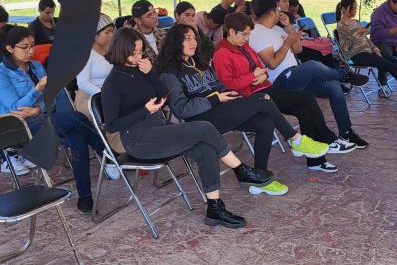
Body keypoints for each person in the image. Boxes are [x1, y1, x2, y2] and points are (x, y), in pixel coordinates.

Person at [101, 27, 273, 228]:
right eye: (134, 53)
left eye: (140, 51)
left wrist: (150, 75)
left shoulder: (140, 69)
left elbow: (163, 96)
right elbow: (112, 126)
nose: (139, 56)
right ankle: (241, 170)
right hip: (139, 140)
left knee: (206, 149)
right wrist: (144, 112)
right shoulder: (112, 83)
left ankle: (214, 209)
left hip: (159, 129)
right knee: (204, 127)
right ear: (120, 51)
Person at [158, 24, 329, 194]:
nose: (193, 42)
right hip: (202, 120)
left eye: (194, 38)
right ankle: (294, 139)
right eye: (187, 38)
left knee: (265, 122)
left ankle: (259, 180)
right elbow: (181, 109)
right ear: (175, 42)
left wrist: (228, 93)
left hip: (221, 108)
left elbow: (218, 85)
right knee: (262, 100)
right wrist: (216, 98)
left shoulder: (199, 62)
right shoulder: (170, 73)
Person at [214, 12, 357, 172]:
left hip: (266, 88)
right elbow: (230, 85)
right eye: (243, 34)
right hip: (253, 98)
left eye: (248, 35)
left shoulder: (244, 47)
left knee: (303, 110)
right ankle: (328, 139)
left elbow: (263, 68)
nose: (246, 38)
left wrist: (263, 75)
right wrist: (253, 76)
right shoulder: (222, 54)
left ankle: (316, 160)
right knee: (306, 96)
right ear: (231, 32)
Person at [0, 25, 112, 213]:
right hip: (20, 128)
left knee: (78, 139)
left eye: (32, 46)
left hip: (42, 118)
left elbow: (49, 99)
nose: (30, 51)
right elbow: (15, 108)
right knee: (76, 118)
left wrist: (38, 108)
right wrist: (38, 89)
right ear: (10, 48)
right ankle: (109, 155)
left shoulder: (35, 66)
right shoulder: (3, 73)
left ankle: (85, 197)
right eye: (24, 47)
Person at [249, 0, 369, 147]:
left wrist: (289, 27)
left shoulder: (277, 28)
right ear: (272, 12)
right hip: (280, 81)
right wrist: (287, 41)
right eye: (278, 9)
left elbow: (297, 49)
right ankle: (344, 75)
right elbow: (272, 63)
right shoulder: (257, 33)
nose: (281, 11)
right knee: (312, 65)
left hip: (297, 76)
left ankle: (346, 132)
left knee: (333, 86)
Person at [336, 0, 397, 106]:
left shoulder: (355, 22)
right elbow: (344, 47)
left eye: (356, 8)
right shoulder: (341, 25)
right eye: (353, 8)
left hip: (369, 52)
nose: (355, 11)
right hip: (357, 55)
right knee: (393, 67)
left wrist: (375, 49)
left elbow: (366, 39)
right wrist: (356, 35)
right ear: (344, 9)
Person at [75, 14, 124, 154]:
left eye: (112, 32)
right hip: (90, 98)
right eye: (107, 32)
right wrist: (106, 95)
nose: (111, 35)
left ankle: (134, 144)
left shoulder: (111, 50)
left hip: (111, 93)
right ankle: (115, 153)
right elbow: (83, 83)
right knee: (114, 110)